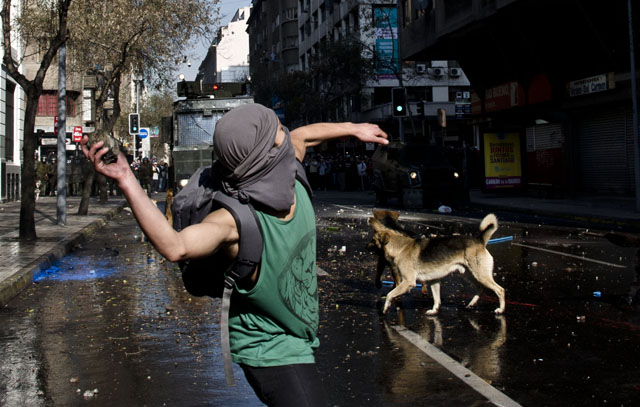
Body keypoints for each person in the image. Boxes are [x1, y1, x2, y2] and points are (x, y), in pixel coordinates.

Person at [81, 103, 388, 406]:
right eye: (276, 131)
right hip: (270, 349)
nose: (284, 133)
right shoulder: (235, 221)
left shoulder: (288, 171)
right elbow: (176, 246)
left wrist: (353, 129)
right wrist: (126, 178)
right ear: (266, 153)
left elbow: (303, 136)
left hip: (298, 335)